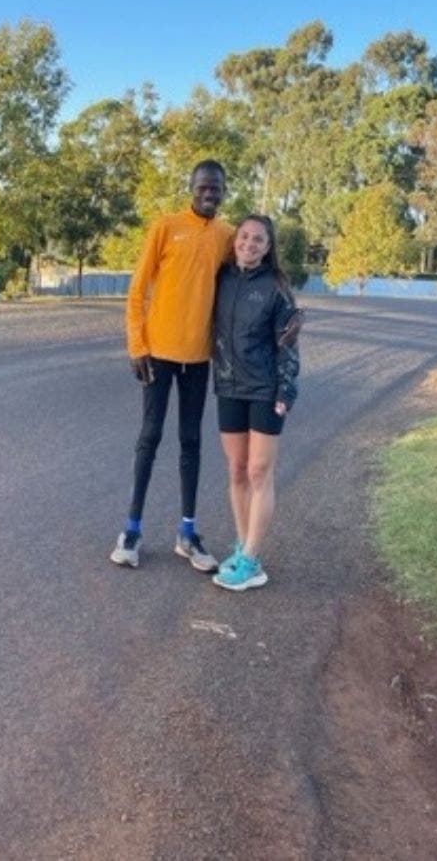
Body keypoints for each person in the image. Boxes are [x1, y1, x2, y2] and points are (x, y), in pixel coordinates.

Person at [112, 161, 237, 573]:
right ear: (191, 187)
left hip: (199, 358)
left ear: (223, 191)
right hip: (159, 354)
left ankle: (188, 532)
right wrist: (137, 345)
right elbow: (137, 289)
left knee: (190, 442)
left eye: (216, 188)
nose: (209, 194)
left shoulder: (226, 236)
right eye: (203, 186)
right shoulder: (166, 226)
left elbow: (253, 271)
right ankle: (131, 530)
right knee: (149, 436)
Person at [209, 214, 300, 593]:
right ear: (235, 241)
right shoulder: (222, 278)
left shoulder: (277, 287)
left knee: (259, 472)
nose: (249, 244)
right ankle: (244, 548)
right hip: (228, 386)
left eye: (258, 239)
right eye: (244, 237)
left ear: (268, 247)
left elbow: (288, 344)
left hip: (265, 389)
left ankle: (250, 560)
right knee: (236, 470)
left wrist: (286, 390)